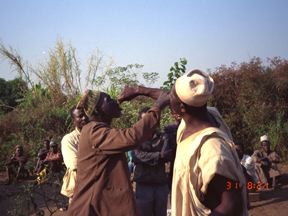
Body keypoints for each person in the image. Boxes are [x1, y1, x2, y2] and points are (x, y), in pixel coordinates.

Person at [67, 88, 169, 216]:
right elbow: (132, 137)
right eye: (109, 100)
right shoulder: (94, 131)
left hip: (100, 205)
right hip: (91, 208)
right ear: (98, 110)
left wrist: (136, 92)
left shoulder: (94, 129)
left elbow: (107, 108)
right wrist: (157, 107)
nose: (114, 101)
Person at [169, 70, 247, 216]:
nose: (168, 98)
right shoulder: (186, 126)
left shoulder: (212, 147)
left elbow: (232, 204)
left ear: (181, 107)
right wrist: (140, 90)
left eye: (172, 96)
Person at [132, 107, 172, 216]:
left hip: (160, 184)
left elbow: (166, 155)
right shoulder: (136, 138)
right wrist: (158, 155)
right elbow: (137, 157)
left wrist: (149, 156)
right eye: (145, 120)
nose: (148, 123)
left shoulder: (163, 137)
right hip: (143, 184)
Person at [60, 106, 89, 204]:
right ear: (73, 121)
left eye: (85, 115)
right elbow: (74, 164)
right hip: (79, 190)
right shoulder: (69, 139)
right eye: (80, 116)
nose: (84, 118)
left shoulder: (96, 135)